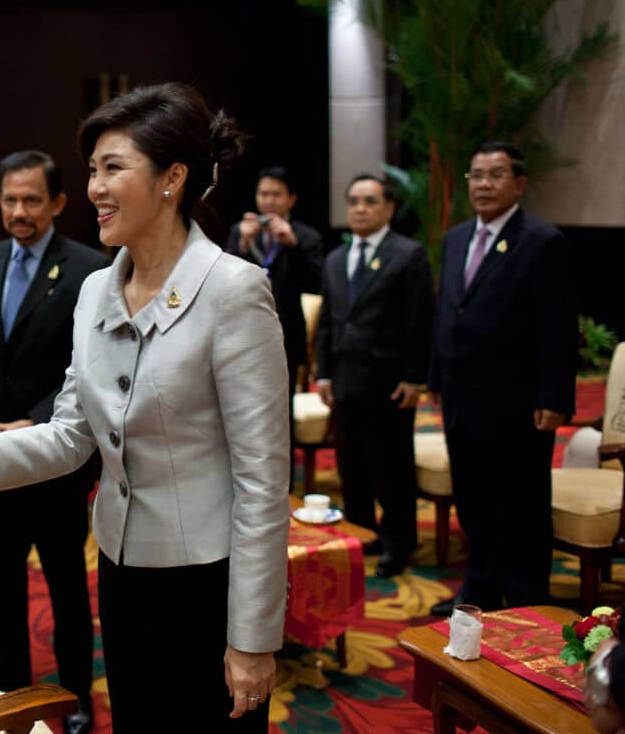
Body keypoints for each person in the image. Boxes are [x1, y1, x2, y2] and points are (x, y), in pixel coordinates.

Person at [0, 83, 290, 731]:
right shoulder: (95, 290)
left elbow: (262, 482)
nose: (94, 188)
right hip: (119, 568)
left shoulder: (233, 290)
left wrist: (254, 637)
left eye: (113, 168)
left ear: (173, 178)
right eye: (92, 170)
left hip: (206, 580)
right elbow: (70, 435)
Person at [0, 150, 106, 734]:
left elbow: (88, 365)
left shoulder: (89, 268)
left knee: (67, 589)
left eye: (32, 200)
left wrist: (34, 423)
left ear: (58, 203)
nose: (19, 211)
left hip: (57, 460)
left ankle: (75, 697)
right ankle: (13, 697)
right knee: (5, 590)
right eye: (10, 200)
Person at [428, 142, 577, 617]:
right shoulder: (455, 238)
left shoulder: (541, 241)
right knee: (473, 499)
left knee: (520, 503)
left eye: (495, 175)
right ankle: (480, 589)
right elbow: (448, 310)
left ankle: (526, 597)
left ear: (519, 183)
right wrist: (436, 376)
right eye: (476, 175)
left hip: (518, 402)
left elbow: (558, 327)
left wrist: (554, 396)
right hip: (461, 397)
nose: (484, 184)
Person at [315, 174, 433, 578]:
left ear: (389, 208)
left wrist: (415, 377)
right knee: (352, 466)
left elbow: (419, 321)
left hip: (390, 382)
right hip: (345, 381)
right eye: (353, 201)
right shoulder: (336, 258)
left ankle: (398, 542)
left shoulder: (408, 254)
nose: (360, 209)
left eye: (369, 201)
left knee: (391, 467)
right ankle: (362, 533)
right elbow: (328, 322)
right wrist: (324, 374)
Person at [226, 166, 323, 401]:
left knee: (283, 404)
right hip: (244, 329)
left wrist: (293, 245)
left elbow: (315, 283)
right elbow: (224, 282)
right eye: (263, 194)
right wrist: (242, 246)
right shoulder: (240, 231)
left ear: (291, 199)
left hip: (286, 332)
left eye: (276, 194)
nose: (269, 200)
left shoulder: (306, 236)